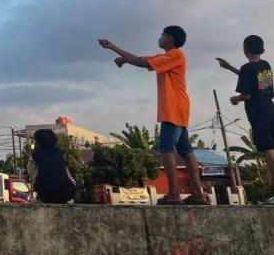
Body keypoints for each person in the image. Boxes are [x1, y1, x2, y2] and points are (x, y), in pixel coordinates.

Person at [99, 26, 210, 205]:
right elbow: (142, 59)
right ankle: (198, 194)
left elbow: (143, 63)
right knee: (186, 151)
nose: (159, 38)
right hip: (179, 108)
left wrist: (113, 47)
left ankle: (174, 193)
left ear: (170, 38)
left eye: (162, 35)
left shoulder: (175, 55)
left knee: (167, 148)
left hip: (172, 109)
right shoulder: (167, 57)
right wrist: (125, 59)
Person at [216, 35, 274, 204]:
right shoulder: (265, 65)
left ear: (246, 49)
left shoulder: (248, 68)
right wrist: (229, 67)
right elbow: (255, 81)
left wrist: (234, 99)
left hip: (257, 113)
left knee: (268, 149)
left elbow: (247, 94)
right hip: (270, 108)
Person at [27, 129, 76, 204]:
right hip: (68, 194)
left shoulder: (34, 156)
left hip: (46, 196)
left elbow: (34, 176)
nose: (35, 144)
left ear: (39, 143)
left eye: (35, 141)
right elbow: (67, 175)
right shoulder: (59, 153)